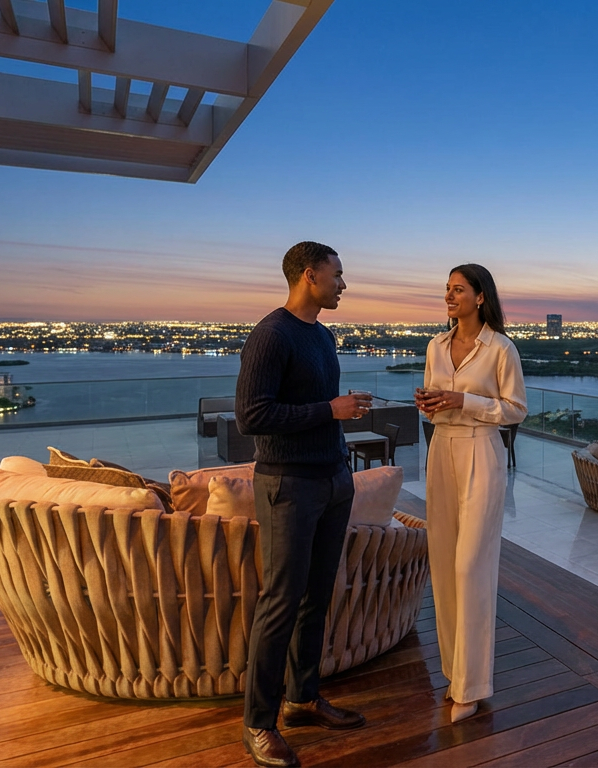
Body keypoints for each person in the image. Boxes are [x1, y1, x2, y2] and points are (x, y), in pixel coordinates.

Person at [236, 241, 373, 768]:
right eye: (338, 275)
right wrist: (328, 410)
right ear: (310, 275)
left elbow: (316, 407)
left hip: (332, 479)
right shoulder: (271, 334)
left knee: (317, 597)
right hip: (289, 485)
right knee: (281, 603)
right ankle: (258, 723)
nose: (344, 284)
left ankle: (302, 697)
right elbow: (251, 416)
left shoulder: (322, 334)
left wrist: (337, 415)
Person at [414, 264, 527, 724]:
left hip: (481, 450)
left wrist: (465, 400)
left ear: (480, 297)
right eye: (447, 289)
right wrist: (430, 403)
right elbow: (435, 400)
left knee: (470, 567)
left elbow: (516, 409)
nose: (449, 295)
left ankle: (473, 686)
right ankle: (454, 674)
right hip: (441, 449)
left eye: (458, 289)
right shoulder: (435, 346)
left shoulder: (501, 348)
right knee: (443, 564)